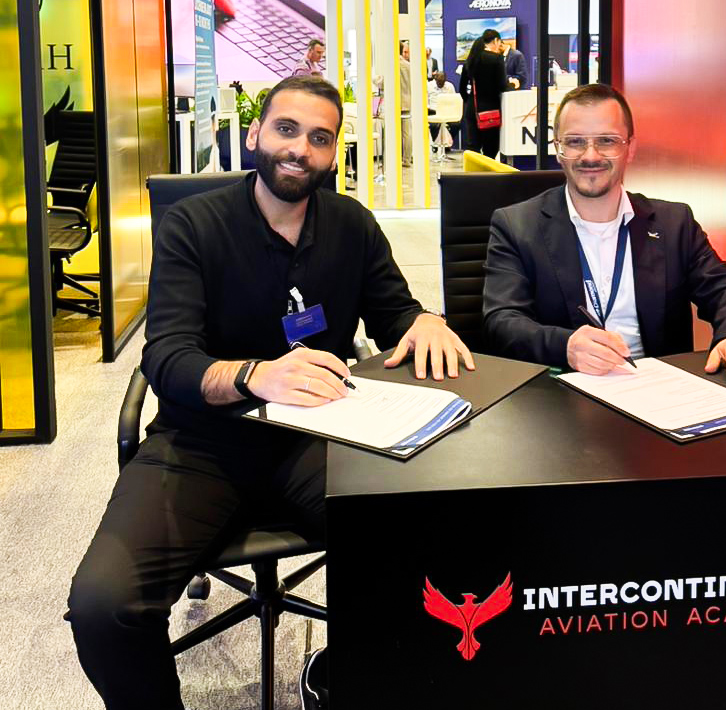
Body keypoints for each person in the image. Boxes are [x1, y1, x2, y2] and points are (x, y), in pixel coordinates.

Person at [67, 75, 474, 710]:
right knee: (103, 606)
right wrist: (254, 375)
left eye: (319, 138)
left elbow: (393, 312)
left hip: (319, 437)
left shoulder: (352, 225)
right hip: (201, 443)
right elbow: (167, 356)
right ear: (255, 133)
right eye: (287, 130)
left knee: (423, 550)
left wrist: (422, 320)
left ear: (333, 152)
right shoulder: (193, 226)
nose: (300, 150)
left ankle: (349, 674)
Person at [483, 84, 726, 388]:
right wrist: (566, 346)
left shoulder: (673, 223)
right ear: (558, 149)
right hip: (563, 396)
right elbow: (503, 322)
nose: (590, 155)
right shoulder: (516, 225)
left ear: (630, 148)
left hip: (659, 394)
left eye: (607, 141)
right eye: (574, 142)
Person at [459, 29, 509, 159]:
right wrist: (513, 84)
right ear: (496, 41)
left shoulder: (470, 61)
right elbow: (502, 86)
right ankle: (488, 178)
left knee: (473, 149)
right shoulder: (497, 59)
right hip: (490, 111)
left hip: (472, 110)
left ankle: (474, 178)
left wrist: (469, 101)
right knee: (490, 150)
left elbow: (462, 89)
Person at [427, 71, 458, 148]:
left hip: (447, 112)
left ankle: (447, 144)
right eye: (439, 82)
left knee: (456, 125)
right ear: (435, 79)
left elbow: (454, 100)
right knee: (434, 126)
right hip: (433, 111)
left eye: (443, 82)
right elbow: (425, 100)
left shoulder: (450, 86)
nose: (441, 84)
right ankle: (436, 145)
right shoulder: (428, 86)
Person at [400, 40, 412, 167]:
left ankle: (397, 157)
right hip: (407, 101)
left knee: (395, 133)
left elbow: (381, 82)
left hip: (395, 103)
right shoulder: (408, 66)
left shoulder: (392, 65)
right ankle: (407, 159)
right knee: (407, 133)